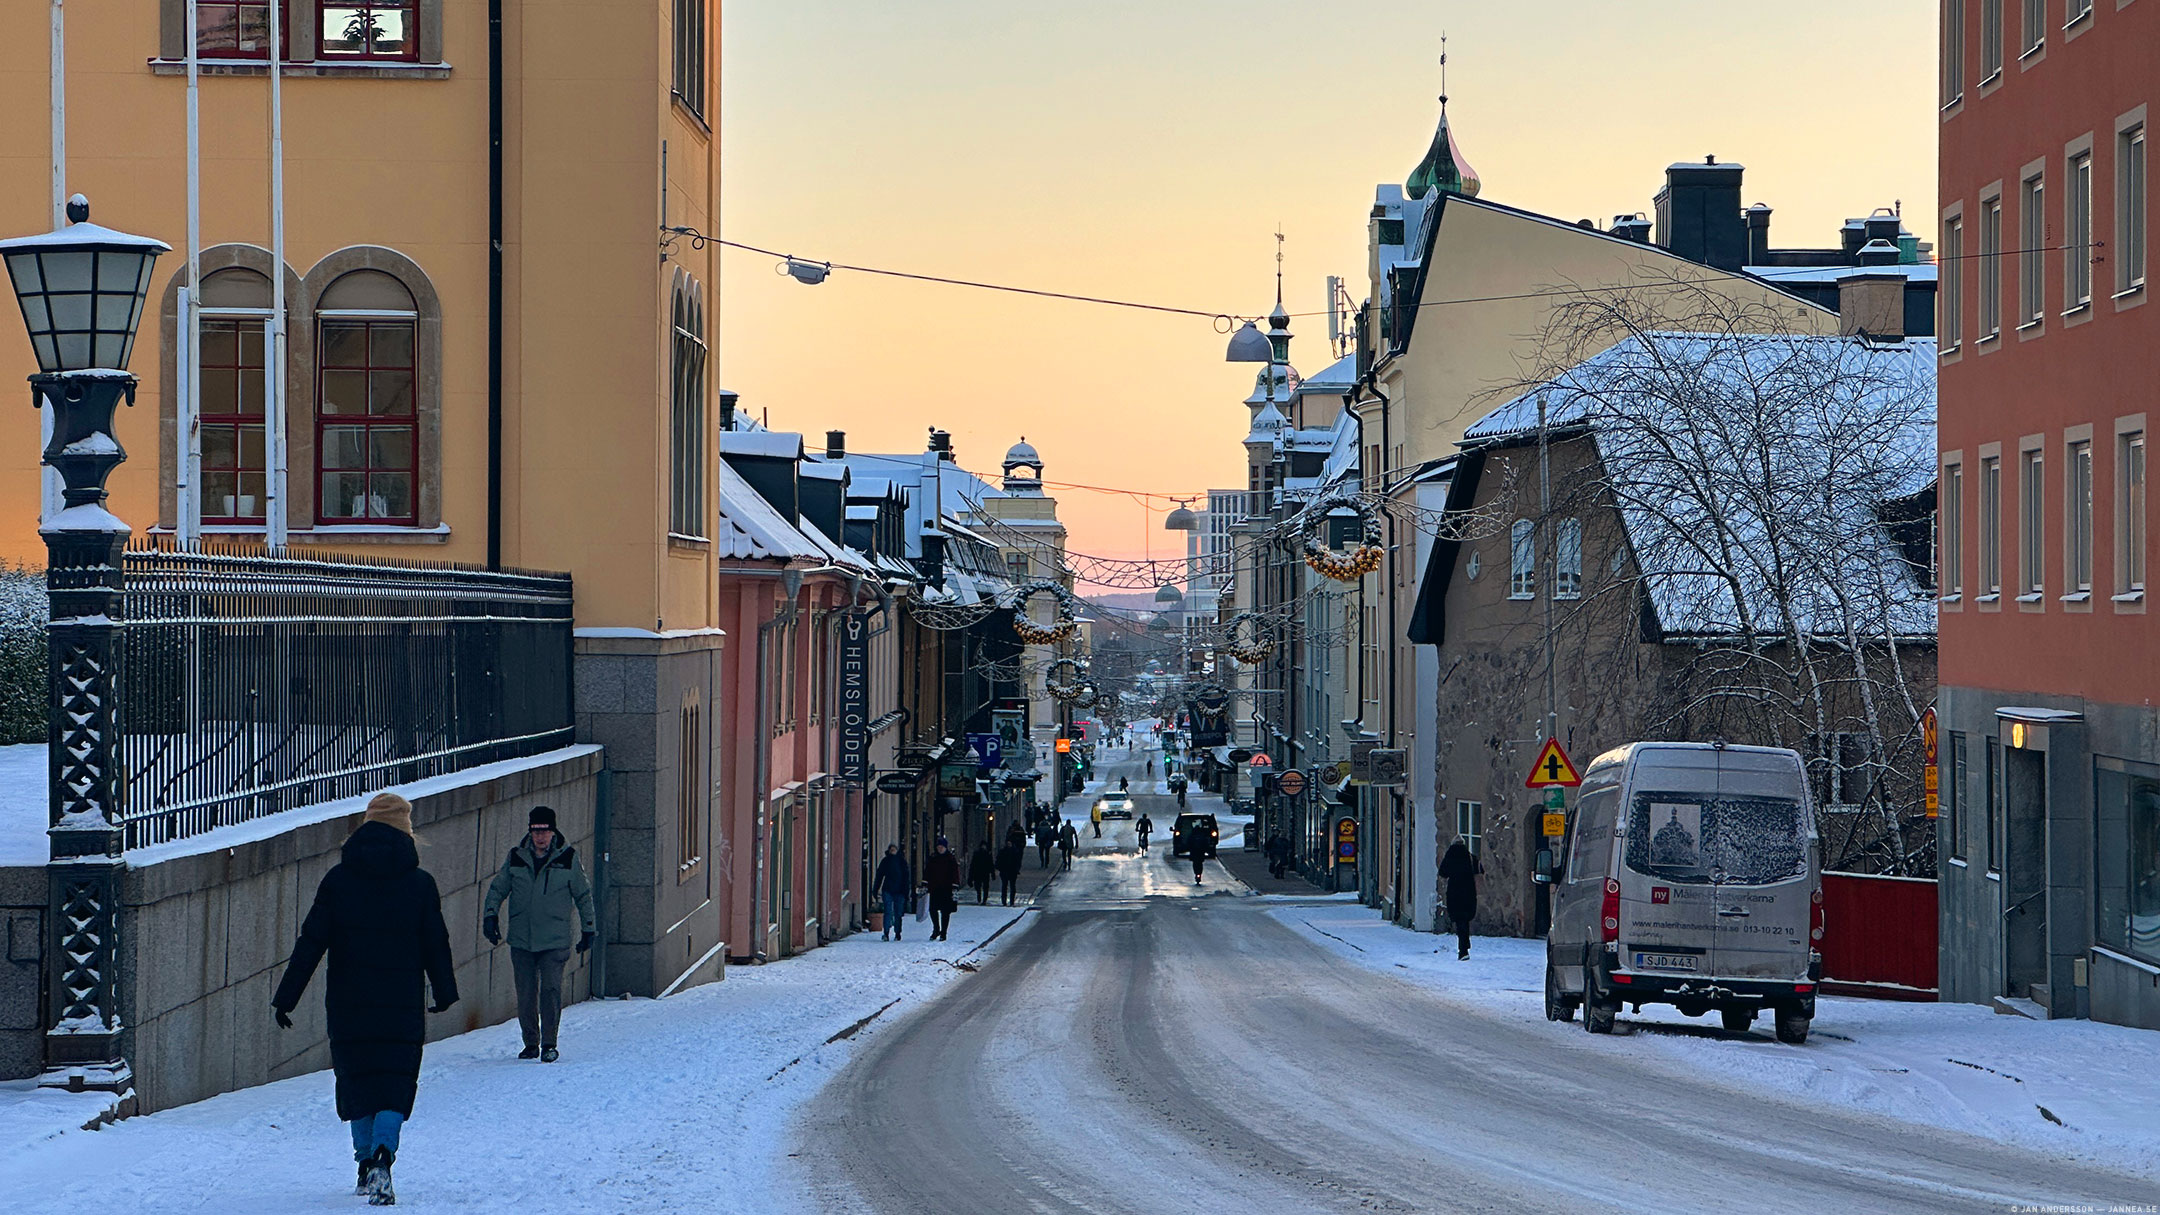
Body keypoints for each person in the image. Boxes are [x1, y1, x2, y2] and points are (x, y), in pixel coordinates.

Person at [272, 793, 457, 1207]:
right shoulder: (420, 884)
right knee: (394, 1082)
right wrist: (445, 992)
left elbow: (311, 942)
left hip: (348, 1002)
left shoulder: (338, 881)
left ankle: (362, 1162)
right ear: (406, 830)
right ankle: (382, 1157)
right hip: (401, 1003)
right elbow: (436, 944)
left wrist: (286, 998)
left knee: (357, 1080)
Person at [480, 805, 595, 1064]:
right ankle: (530, 1042)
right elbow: (498, 889)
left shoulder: (568, 858)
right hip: (522, 939)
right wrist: (490, 916)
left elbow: (583, 894)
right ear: (530, 832)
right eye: (535, 831)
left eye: (544, 831)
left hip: (555, 940)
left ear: (553, 832)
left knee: (551, 990)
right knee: (526, 993)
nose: (540, 836)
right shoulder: (516, 857)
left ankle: (549, 1043)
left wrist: (589, 928)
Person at [1439, 839, 1484, 960]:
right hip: (1468, 892)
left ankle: (1463, 950)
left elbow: (1443, 872)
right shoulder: (1469, 856)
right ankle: (1464, 946)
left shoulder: (1450, 856)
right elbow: (1480, 869)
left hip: (1455, 893)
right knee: (1464, 920)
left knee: (1460, 921)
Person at [872, 844, 912, 941]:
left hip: (900, 891)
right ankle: (886, 933)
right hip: (888, 890)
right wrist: (875, 889)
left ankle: (897, 933)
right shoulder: (885, 861)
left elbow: (906, 878)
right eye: (891, 849)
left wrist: (906, 892)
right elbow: (879, 876)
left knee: (898, 913)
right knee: (888, 912)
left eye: (894, 849)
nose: (893, 851)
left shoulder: (902, 862)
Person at [924, 840, 961, 941]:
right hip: (935, 888)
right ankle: (936, 928)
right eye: (938, 846)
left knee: (945, 912)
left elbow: (955, 873)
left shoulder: (950, 859)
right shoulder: (933, 858)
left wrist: (955, 885)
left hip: (946, 889)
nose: (940, 848)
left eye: (942, 847)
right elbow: (927, 871)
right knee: (933, 909)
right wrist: (925, 882)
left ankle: (943, 932)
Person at [996, 833, 1025, 906]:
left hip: (1012, 871)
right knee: (1004, 886)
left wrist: (1017, 869)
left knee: (1012, 886)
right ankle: (1004, 901)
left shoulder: (1014, 852)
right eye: (1008, 843)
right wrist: (1000, 868)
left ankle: (1012, 901)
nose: (1009, 844)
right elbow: (998, 861)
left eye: (1010, 843)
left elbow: (1018, 861)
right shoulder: (1003, 851)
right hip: (1005, 871)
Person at [968, 839, 995, 906]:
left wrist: (992, 873)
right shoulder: (977, 854)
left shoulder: (987, 854)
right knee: (978, 887)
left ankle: (984, 900)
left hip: (984, 873)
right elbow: (973, 865)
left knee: (985, 887)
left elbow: (991, 864)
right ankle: (980, 898)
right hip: (978, 873)